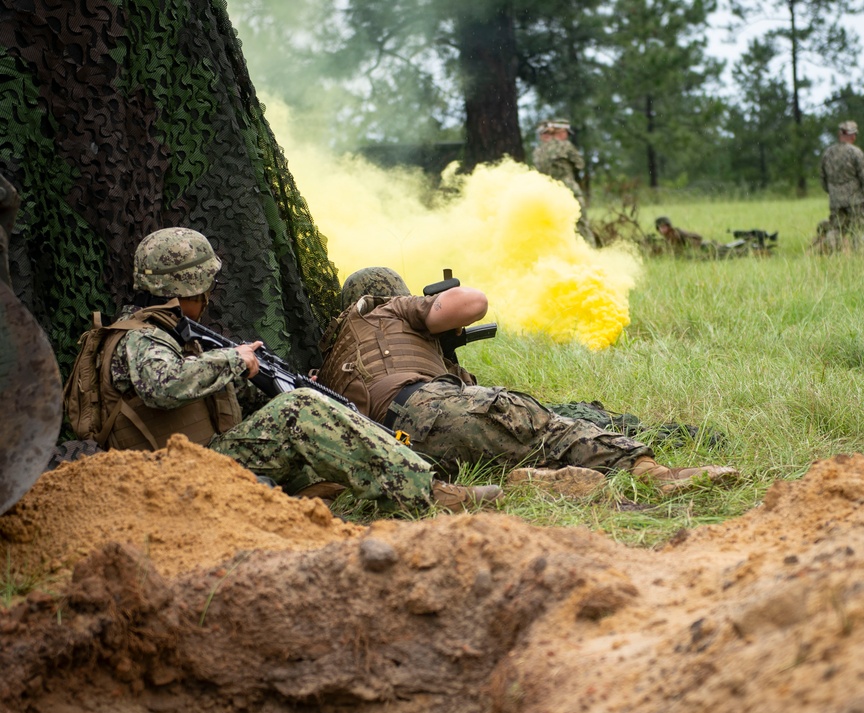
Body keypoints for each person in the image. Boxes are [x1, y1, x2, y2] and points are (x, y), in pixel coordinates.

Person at [74, 227, 500, 514]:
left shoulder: (165, 334)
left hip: (192, 463)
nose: (208, 298)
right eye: (203, 289)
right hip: (167, 478)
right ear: (183, 289)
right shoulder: (140, 338)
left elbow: (198, 405)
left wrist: (257, 381)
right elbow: (162, 387)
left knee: (300, 402)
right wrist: (233, 360)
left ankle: (306, 492)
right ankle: (426, 494)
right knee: (298, 410)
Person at [314, 267, 738, 497]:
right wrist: (437, 304)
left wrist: (445, 352)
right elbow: (472, 303)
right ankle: (649, 472)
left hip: (404, 453)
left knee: (509, 442)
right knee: (534, 421)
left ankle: (539, 481)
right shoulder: (387, 309)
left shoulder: (335, 356)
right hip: (425, 410)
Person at [532, 119, 597, 246]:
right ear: (561, 132)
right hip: (569, 190)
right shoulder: (565, 146)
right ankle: (591, 251)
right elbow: (580, 165)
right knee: (581, 224)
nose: (567, 136)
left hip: (548, 193)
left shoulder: (537, 152)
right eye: (566, 132)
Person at [819, 120, 864, 250]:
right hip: (855, 200)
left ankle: (833, 254)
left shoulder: (828, 153)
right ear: (853, 136)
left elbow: (823, 180)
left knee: (836, 228)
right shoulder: (856, 153)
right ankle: (858, 256)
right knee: (858, 229)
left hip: (835, 201)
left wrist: (834, 193)